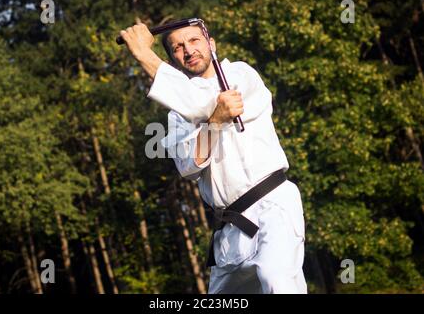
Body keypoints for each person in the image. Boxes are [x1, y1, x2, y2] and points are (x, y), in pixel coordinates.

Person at [119, 22, 307, 294]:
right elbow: (189, 166)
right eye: (177, 48)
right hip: (229, 226)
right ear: (173, 60)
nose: (188, 50)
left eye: (194, 40)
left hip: (272, 206)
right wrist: (216, 122)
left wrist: (145, 55)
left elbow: (200, 101)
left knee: (278, 281)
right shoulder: (176, 115)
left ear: (212, 43)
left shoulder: (239, 75)